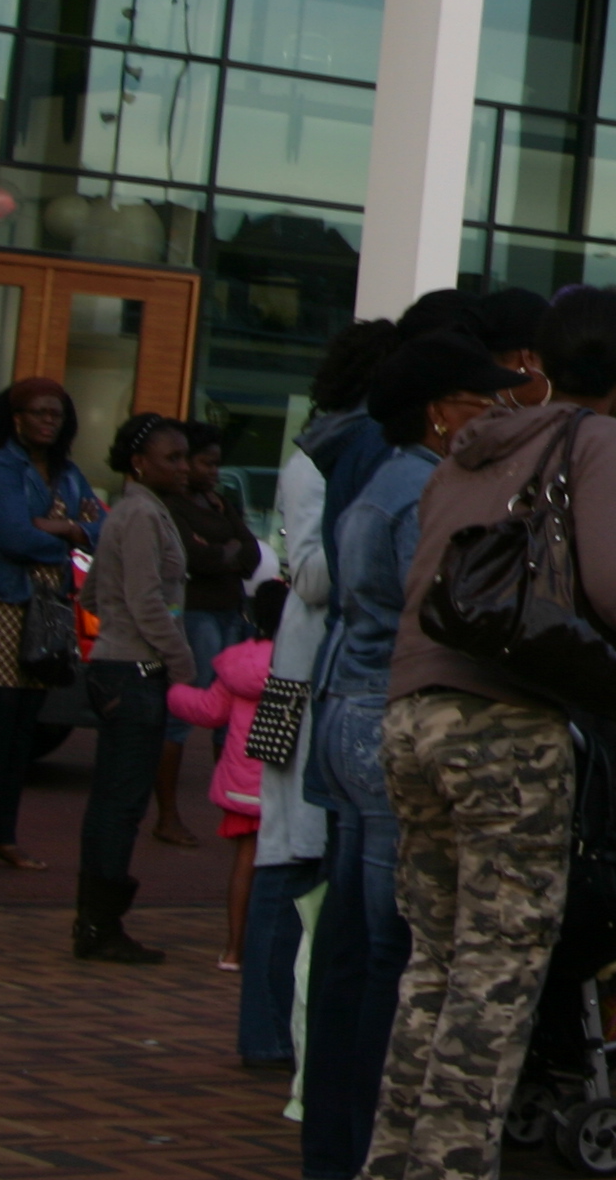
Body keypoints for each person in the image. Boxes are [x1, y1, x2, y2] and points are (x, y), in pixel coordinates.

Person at [374, 287, 616, 1180]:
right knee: (496, 975)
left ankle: (391, 1161)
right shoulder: (595, 437)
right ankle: (450, 1168)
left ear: (535, 358)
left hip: (412, 712)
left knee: (434, 964)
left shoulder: (472, 445)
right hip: (501, 723)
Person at [303, 330, 530, 1179]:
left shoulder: (379, 483)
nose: (498, 414)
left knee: (356, 948)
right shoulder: (425, 493)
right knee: (392, 950)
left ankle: (333, 1145)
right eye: (484, 401)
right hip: (387, 717)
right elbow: (445, 613)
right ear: (440, 414)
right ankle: (373, 1145)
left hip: (347, 711)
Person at [250, 318, 393, 1078]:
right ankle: (265, 1029)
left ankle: (288, 1027)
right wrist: (375, 550)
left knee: (311, 853)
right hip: (299, 680)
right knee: (287, 852)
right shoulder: (318, 458)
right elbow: (307, 573)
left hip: (319, 677)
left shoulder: (352, 451)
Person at [0, 377, 94, 875]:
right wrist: (69, 534)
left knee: (24, 728)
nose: (49, 421)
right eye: (39, 413)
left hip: (44, 608)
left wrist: (62, 527)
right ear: (16, 419)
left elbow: (102, 528)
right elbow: (12, 538)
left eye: (56, 414)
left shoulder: (68, 473)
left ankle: (2, 836)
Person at [78, 412, 203, 963]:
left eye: (185, 457)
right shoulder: (142, 515)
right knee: (121, 803)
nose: (183, 467)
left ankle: (96, 920)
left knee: (116, 800)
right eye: (171, 458)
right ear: (138, 462)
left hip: (121, 663)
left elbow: (93, 593)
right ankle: (99, 924)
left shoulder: (135, 513)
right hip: (133, 670)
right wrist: (181, 661)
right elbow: (146, 599)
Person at [154, 417, 261, 852]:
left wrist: (220, 552)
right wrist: (224, 553)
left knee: (232, 716)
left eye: (217, 463)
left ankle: (234, 810)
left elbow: (251, 553)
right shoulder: (172, 506)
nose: (213, 471)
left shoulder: (219, 504)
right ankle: (167, 814)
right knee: (183, 713)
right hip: (197, 614)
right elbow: (191, 557)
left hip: (230, 612)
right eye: (205, 463)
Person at [171, 577, 285, 974]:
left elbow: (209, 711)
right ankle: (273, 950)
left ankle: (233, 948)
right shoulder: (300, 662)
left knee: (244, 862)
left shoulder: (238, 664)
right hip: (282, 783)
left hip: (243, 787)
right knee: (285, 867)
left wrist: (173, 691)